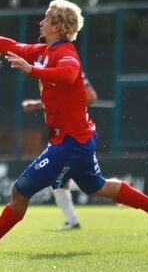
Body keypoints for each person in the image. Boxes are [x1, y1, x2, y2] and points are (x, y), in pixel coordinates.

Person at [0, 0, 148, 253]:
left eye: (46, 18)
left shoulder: (65, 53)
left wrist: (32, 71)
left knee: (20, 190)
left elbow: (69, 74)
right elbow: (11, 45)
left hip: (70, 144)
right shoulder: (45, 51)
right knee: (97, 186)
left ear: (57, 26)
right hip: (78, 139)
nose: (41, 21)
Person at [22, 73, 97, 231]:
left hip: (70, 136)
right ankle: (72, 221)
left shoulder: (68, 68)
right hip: (64, 135)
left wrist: (38, 105)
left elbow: (91, 97)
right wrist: (39, 105)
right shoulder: (51, 69)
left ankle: (73, 220)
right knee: (63, 181)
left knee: (60, 180)